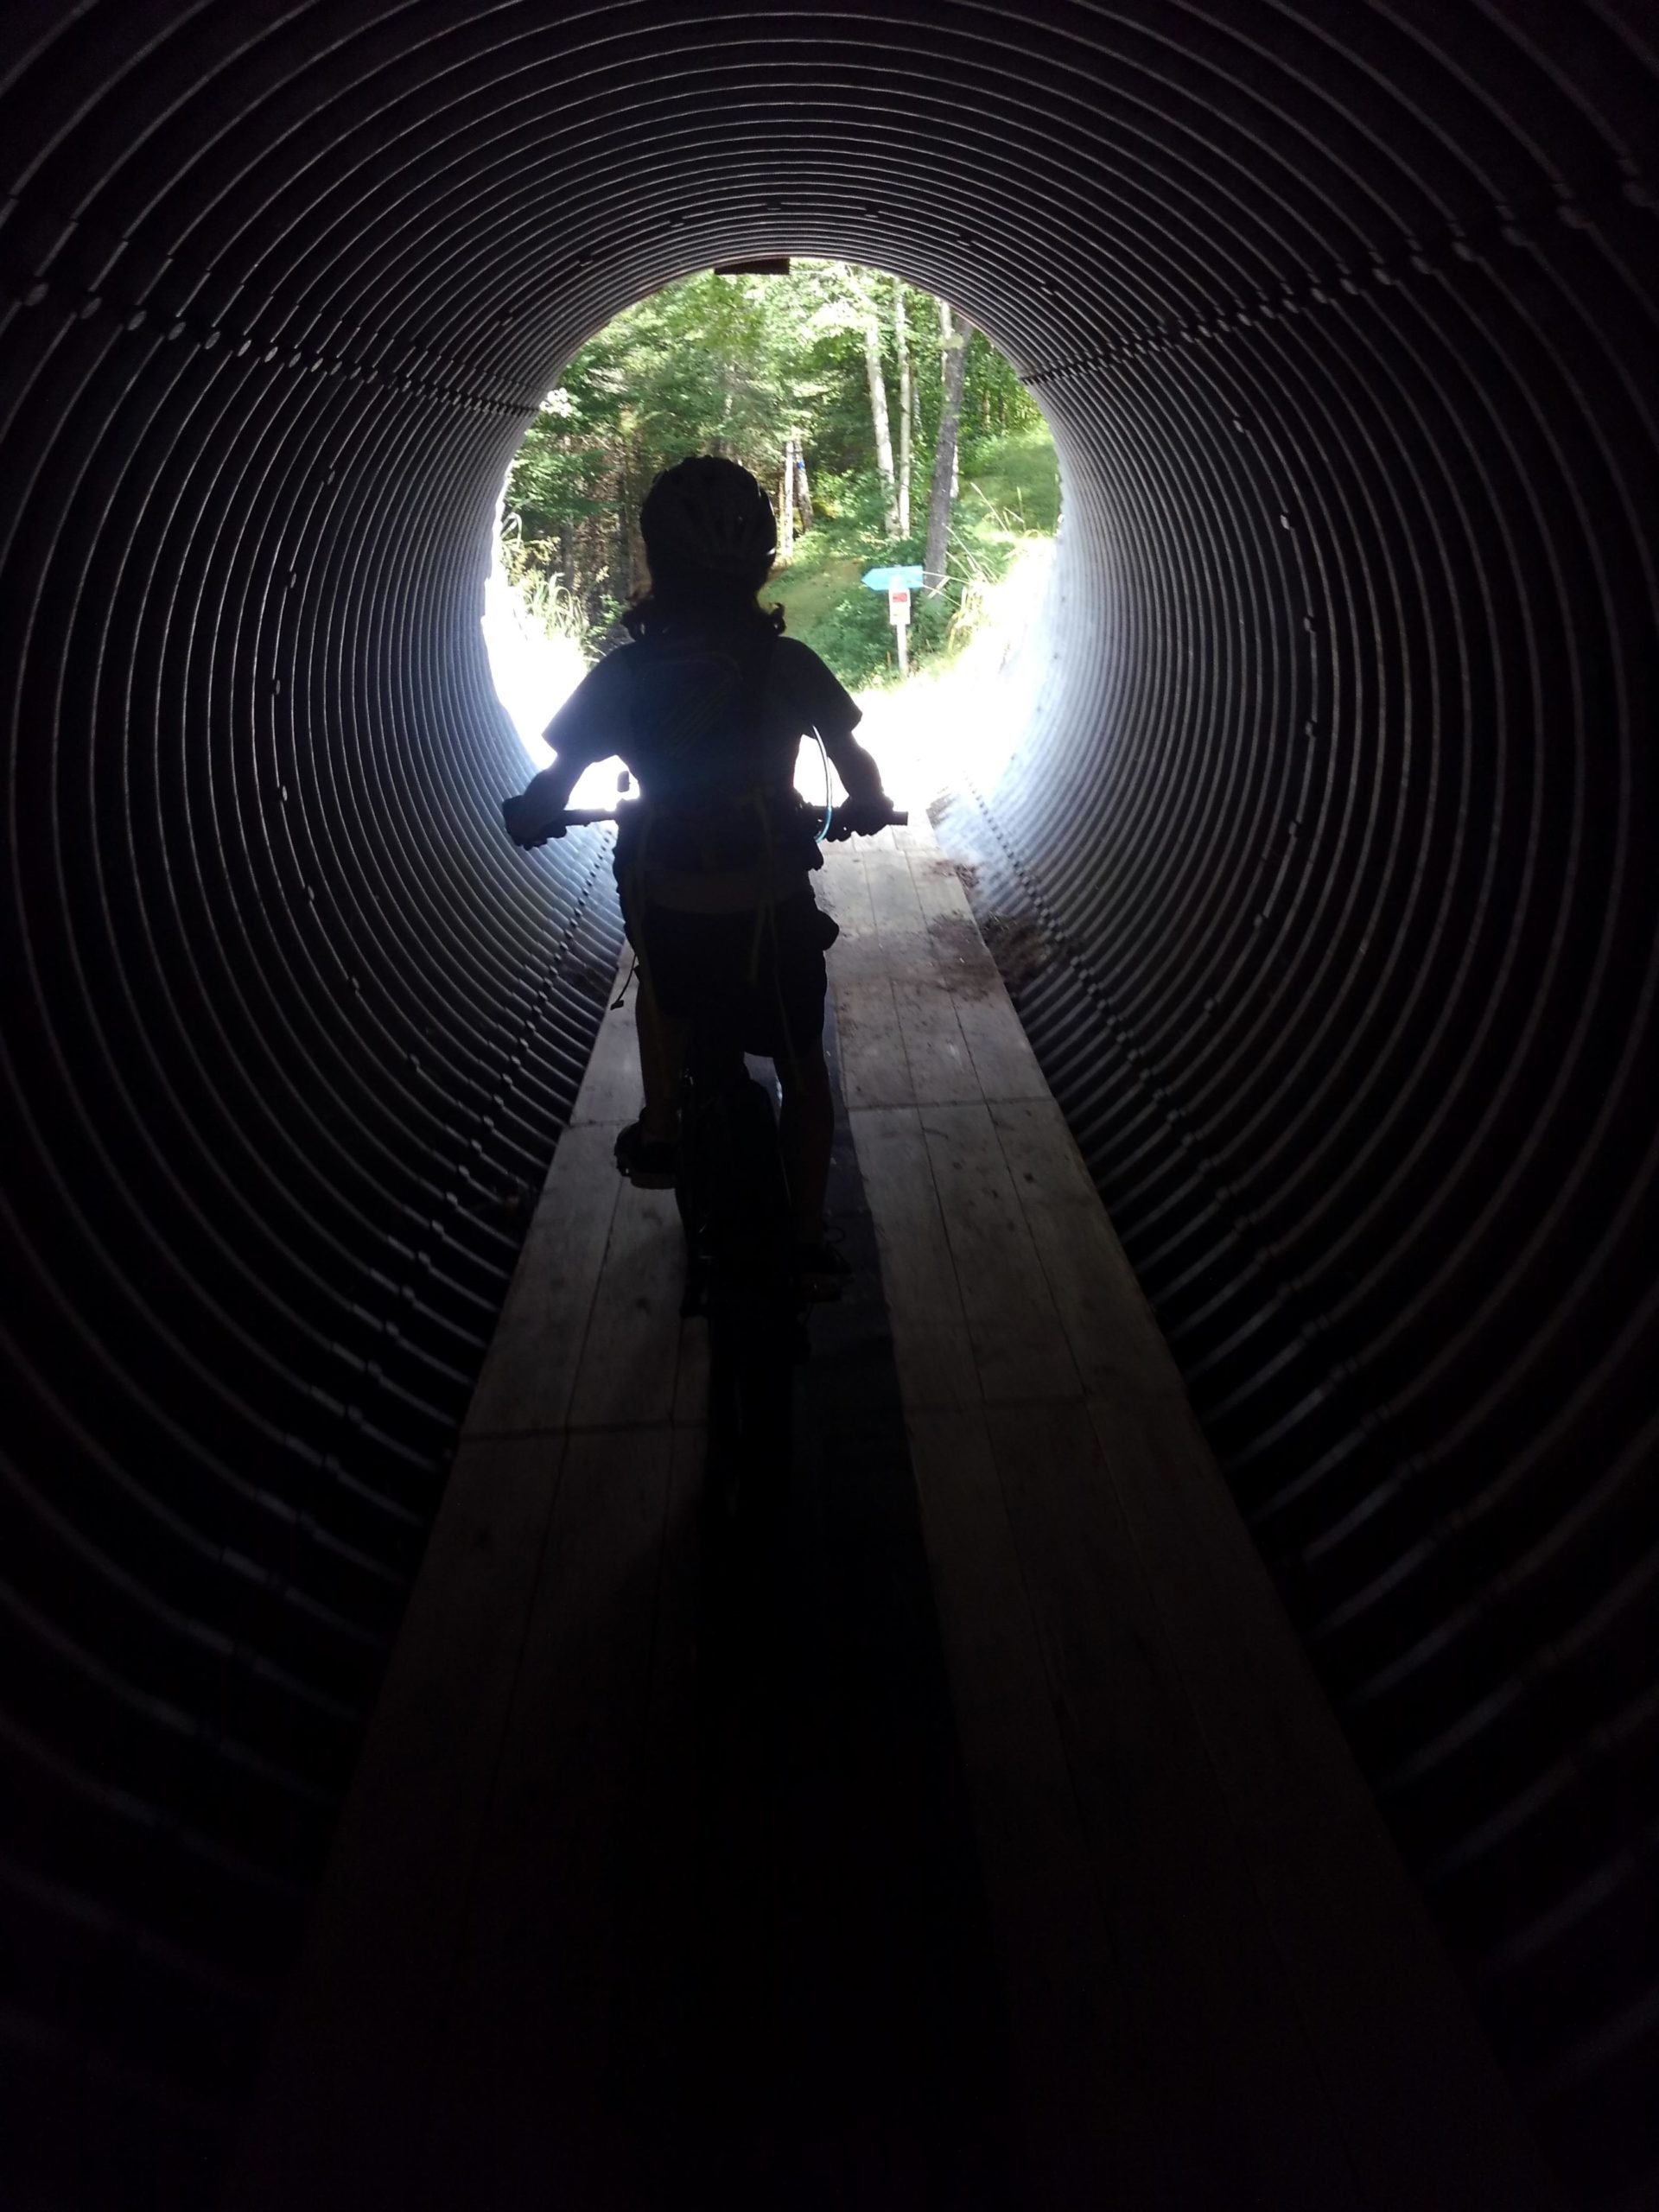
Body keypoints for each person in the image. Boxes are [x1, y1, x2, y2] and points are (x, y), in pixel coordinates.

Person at [500, 455, 893, 1294]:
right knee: (803, 1070)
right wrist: (867, 805)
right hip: (772, 908)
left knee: (660, 984)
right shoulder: (789, 666)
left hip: (673, 907)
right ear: (761, 567)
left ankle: (662, 1127)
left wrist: (532, 814)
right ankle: (807, 1234)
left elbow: (556, 780)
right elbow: (855, 762)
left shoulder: (624, 676)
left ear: (658, 564)